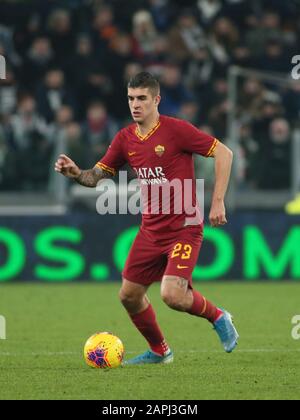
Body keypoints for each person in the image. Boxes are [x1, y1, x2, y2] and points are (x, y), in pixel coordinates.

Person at [55, 72, 239, 365]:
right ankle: (159, 351)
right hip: (150, 231)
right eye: (131, 98)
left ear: (156, 100)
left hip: (184, 227)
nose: (135, 104)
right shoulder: (125, 138)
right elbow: (96, 177)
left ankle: (218, 316)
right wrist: (76, 174)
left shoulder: (176, 130)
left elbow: (224, 153)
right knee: (128, 295)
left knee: (173, 295)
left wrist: (217, 202)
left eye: (142, 98)